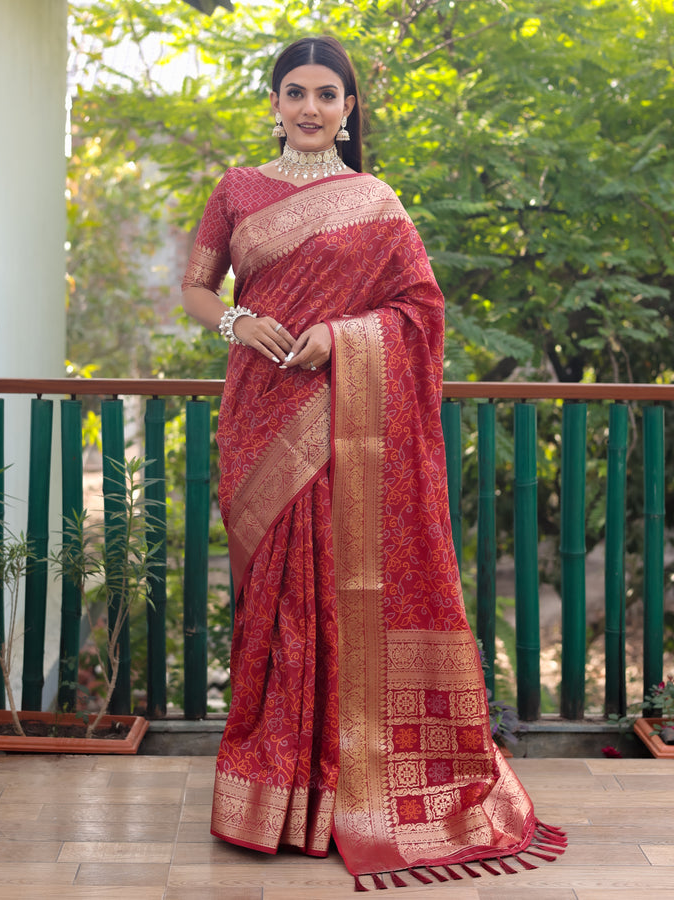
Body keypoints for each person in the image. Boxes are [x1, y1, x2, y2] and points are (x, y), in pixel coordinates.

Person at [181, 35, 565, 889]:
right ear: (274, 104)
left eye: (328, 95)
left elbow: (420, 308)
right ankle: (270, 792)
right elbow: (198, 288)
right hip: (260, 414)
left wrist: (340, 339)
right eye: (296, 93)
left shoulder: (376, 199)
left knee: (345, 590)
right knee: (275, 603)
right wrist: (234, 324)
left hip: (347, 414)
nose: (311, 108)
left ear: (350, 109)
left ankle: (338, 792)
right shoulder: (236, 192)